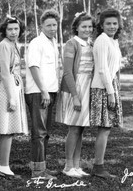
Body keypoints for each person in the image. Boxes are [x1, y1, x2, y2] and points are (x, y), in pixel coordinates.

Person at [55, 12, 95, 178]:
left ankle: (77, 165)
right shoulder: (72, 44)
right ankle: (68, 165)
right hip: (75, 88)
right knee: (74, 128)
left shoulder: (90, 44)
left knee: (81, 128)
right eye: (83, 26)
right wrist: (75, 95)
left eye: (90, 26)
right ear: (76, 28)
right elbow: (67, 72)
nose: (87, 29)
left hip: (88, 87)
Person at [25, 9, 60, 179]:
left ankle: (40, 165)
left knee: (45, 132)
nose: (52, 28)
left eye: (55, 25)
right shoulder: (36, 43)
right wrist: (44, 91)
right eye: (49, 25)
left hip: (51, 91)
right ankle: (38, 172)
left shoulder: (53, 42)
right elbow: (33, 67)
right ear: (42, 26)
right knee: (39, 132)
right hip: (39, 92)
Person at [90, 8, 123, 179]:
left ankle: (99, 164)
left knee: (106, 128)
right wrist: (111, 93)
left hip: (110, 87)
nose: (112, 26)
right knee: (104, 128)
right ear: (101, 25)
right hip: (103, 88)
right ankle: (98, 166)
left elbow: (114, 67)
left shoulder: (112, 40)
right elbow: (102, 69)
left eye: (114, 23)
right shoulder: (102, 40)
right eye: (108, 23)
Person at [0, 16, 28, 180]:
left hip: (14, 86)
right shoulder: (4, 45)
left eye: (16, 29)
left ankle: (4, 166)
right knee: (6, 130)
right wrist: (11, 97)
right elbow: (5, 73)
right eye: (10, 29)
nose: (14, 32)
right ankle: (3, 167)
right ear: (4, 31)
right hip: (7, 89)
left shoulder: (13, 45)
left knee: (9, 131)